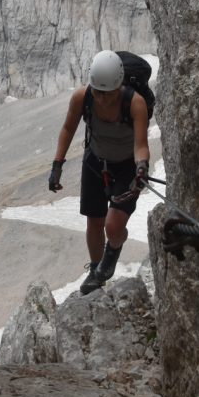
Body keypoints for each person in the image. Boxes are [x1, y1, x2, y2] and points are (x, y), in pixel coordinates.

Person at [48, 49, 150, 295]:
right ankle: (97, 272)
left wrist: (141, 167)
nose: (102, 99)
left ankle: (111, 254)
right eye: (98, 93)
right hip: (95, 161)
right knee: (94, 221)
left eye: (108, 94)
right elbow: (67, 129)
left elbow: (141, 145)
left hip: (127, 167)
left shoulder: (135, 103)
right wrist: (57, 165)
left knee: (113, 227)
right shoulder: (82, 97)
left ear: (119, 86)